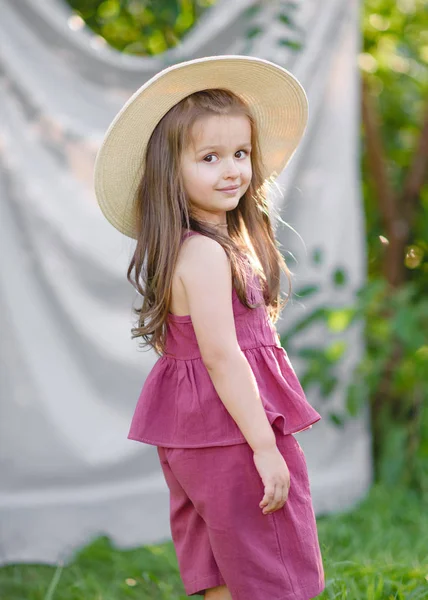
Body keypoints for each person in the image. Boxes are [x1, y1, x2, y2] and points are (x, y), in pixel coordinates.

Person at [94, 55, 325, 600]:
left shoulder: (199, 247)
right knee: (269, 560)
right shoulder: (204, 255)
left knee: (221, 562)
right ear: (170, 171)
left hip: (196, 432)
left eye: (241, 153)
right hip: (231, 431)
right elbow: (222, 355)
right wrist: (264, 446)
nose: (233, 170)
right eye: (209, 157)